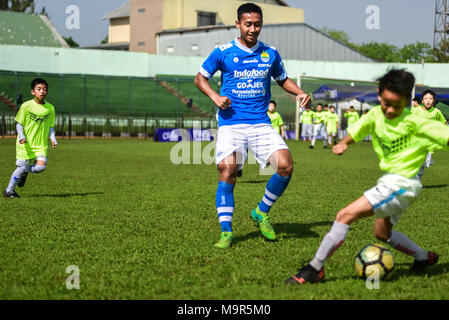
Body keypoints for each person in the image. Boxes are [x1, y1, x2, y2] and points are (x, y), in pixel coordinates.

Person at [286, 69, 448, 285]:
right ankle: (422, 257)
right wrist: (344, 142)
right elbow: (359, 131)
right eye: (386, 103)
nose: (390, 110)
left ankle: (315, 268)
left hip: (403, 184)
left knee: (344, 215)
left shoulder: (417, 123)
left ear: (407, 102)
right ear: (379, 95)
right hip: (390, 180)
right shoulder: (375, 115)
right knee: (382, 234)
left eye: (397, 106)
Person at [194, 2, 310, 249]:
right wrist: (215, 97)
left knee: (286, 166)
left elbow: (283, 79)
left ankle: (261, 212)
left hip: (260, 124)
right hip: (231, 123)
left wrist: (300, 93)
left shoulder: (271, 53)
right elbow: (200, 78)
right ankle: (227, 232)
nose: (253, 29)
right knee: (227, 170)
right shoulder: (223, 51)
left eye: (257, 24)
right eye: (248, 24)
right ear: (238, 24)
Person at [3, 78, 57, 198]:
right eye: (39, 89)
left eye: (44, 89)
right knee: (21, 167)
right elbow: (19, 123)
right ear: (33, 92)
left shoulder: (50, 108)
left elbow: (50, 127)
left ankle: (24, 171)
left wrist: (53, 138)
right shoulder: (26, 106)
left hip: (40, 144)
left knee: (40, 167)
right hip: (25, 144)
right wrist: (21, 136)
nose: (42, 92)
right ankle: (9, 191)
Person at [412, 90, 447, 180]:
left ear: (434, 100)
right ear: (422, 101)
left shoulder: (437, 112)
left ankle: (417, 181)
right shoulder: (415, 110)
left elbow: (444, 124)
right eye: (426, 98)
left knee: (423, 164)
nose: (428, 100)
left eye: (430, 98)